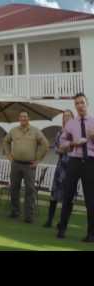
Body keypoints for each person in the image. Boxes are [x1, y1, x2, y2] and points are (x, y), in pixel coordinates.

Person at [57, 93, 94, 242]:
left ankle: (91, 234)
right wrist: (73, 144)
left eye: (82, 102)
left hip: (91, 162)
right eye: (77, 103)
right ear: (75, 106)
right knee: (67, 196)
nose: (80, 105)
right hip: (74, 161)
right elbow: (61, 144)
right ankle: (61, 229)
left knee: (91, 200)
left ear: (87, 104)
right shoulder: (70, 123)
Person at [3, 111, 49, 223]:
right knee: (14, 188)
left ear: (29, 118)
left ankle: (29, 216)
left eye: (25, 116)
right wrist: (9, 155)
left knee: (30, 190)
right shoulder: (13, 131)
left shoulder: (35, 131)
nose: (23, 118)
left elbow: (45, 144)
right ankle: (15, 211)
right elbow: (6, 141)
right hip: (16, 164)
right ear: (19, 118)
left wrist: (37, 160)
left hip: (29, 166)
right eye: (21, 116)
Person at [43, 110, 74, 228]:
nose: (66, 118)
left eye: (68, 116)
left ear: (73, 118)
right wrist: (60, 150)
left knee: (68, 196)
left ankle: (62, 223)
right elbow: (56, 147)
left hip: (71, 167)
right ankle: (49, 220)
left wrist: (67, 148)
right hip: (61, 166)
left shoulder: (76, 132)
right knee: (54, 193)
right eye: (64, 116)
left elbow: (76, 148)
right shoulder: (60, 132)